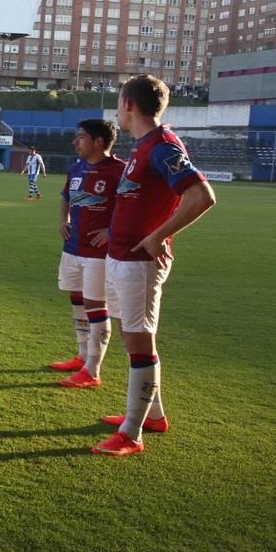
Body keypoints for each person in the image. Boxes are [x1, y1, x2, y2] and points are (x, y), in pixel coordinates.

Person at [92, 75, 216, 457]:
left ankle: (132, 433)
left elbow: (202, 196)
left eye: (118, 102)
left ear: (129, 104)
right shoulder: (144, 147)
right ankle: (153, 415)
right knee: (134, 337)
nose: (116, 110)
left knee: (138, 341)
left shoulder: (162, 146)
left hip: (139, 263)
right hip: (120, 257)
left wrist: (159, 235)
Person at [49, 119, 126, 388]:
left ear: (98, 142)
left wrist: (110, 230)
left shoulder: (120, 171)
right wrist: (64, 219)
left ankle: (92, 370)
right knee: (77, 300)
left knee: (96, 306)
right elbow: (65, 197)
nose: (75, 141)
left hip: (99, 252)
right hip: (73, 246)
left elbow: (130, 208)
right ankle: (82, 356)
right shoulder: (76, 168)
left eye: (80, 137)